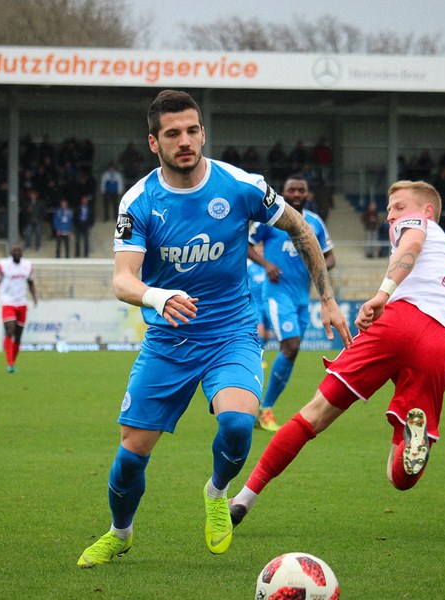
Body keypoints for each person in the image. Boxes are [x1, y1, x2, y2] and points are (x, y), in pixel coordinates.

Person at [77, 90, 351, 568]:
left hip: (231, 333)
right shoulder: (139, 201)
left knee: (238, 424)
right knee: (130, 458)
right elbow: (123, 279)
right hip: (168, 341)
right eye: (172, 134)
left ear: (203, 133)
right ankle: (120, 533)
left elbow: (300, 229)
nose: (184, 141)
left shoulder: (241, 186)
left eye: (192, 130)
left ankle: (217, 491)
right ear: (154, 143)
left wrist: (326, 299)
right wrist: (159, 296)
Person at [227, 180, 445, 527]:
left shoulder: (416, 224)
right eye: (389, 210)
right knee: (400, 478)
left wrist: (383, 295)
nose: (391, 216)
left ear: (427, 210)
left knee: (313, 415)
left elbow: (412, 244)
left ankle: (244, 498)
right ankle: (411, 443)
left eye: (398, 207)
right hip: (442, 343)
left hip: (399, 321)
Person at [248, 174, 335, 432]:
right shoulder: (270, 218)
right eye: (292, 190)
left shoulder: (315, 222)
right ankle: (263, 407)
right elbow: (246, 245)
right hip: (277, 293)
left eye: (301, 190)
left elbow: (330, 257)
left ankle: (263, 408)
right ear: (283, 193)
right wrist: (266, 265)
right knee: (291, 345)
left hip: (302, 297)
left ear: (307, 194)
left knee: (292, 351)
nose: (296, 194)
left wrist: (317, 265)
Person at [0, 244, 37, 373]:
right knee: (10, 330)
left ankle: (12, 363)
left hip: (22, 303)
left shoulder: (28, 265)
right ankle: (9, 363)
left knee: (18, 336)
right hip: (7, 301)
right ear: (11, 252)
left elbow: (31, 283)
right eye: (14, 250)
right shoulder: (3, 265)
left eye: (19, 250)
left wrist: (34, 297)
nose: (16, 252)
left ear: (22, 252)